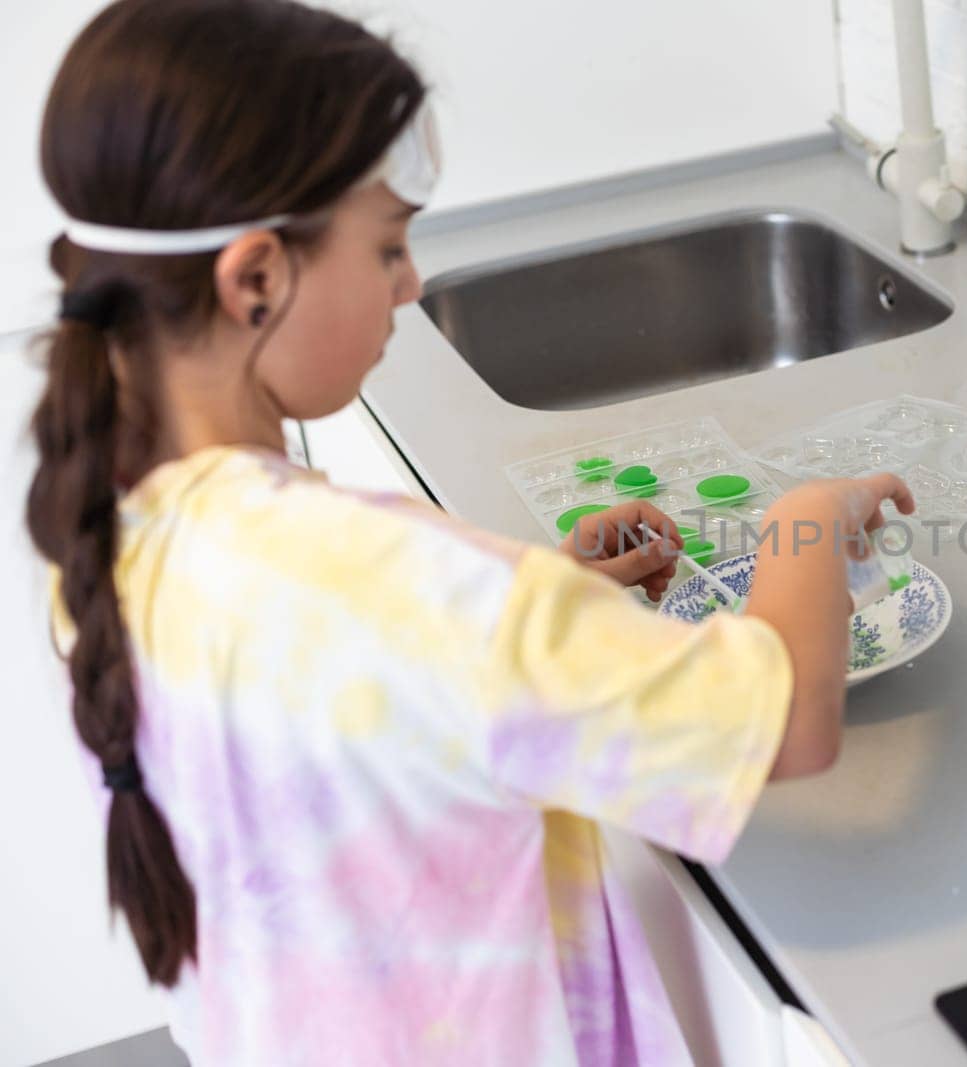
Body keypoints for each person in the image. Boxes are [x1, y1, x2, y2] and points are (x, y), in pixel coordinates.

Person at [24, 1, 912, 1062]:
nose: (409, 282)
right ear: (256, 277)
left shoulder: (104, 521)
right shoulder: (401, 584)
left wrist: (544, 588)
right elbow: (783, 724)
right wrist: (804, 524)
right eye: (390, 245)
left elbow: (360, 691)